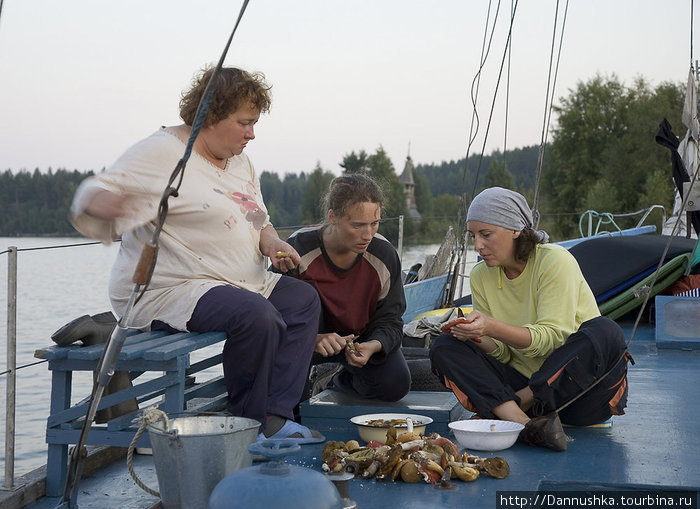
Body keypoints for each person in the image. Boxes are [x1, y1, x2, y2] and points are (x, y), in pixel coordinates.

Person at [69, 66, 324, 443]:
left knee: (303, 300)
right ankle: (246, 428)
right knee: (258, 317)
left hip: (239, 281)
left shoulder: (240, 161)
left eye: (255, 123)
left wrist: (271, 243)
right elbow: (92, 192)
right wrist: (107, 204)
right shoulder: (164, 152)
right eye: (244, 123)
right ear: (211, 115)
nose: (252, 133)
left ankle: (275, 414)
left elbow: (256, 217)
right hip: (174, 288)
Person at [429, 187, 630, 451]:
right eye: (473, 236)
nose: (477, 246)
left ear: (515, 229)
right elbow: (503, 353)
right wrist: (477, 336)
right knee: (444, 346)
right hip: (529, 397)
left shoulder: (554, 261)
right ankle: (526, 425)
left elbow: (552, 340)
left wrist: (491, 326)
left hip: (579, 393)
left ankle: (512, 407)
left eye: (486, 234)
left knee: (605, 331)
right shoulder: (481, 275)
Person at [283, 173, 411, 402]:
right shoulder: (297, 249)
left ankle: (334, 382)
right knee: (293, 403)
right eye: (357, 225)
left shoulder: (384, 254)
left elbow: (391, 320)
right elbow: (274, 315)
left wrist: (374, 345)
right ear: (332, 217)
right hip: (305, 343)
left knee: (396, 384)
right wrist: (313, 339)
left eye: (375, 223)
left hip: (359, 340)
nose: (368, 234)